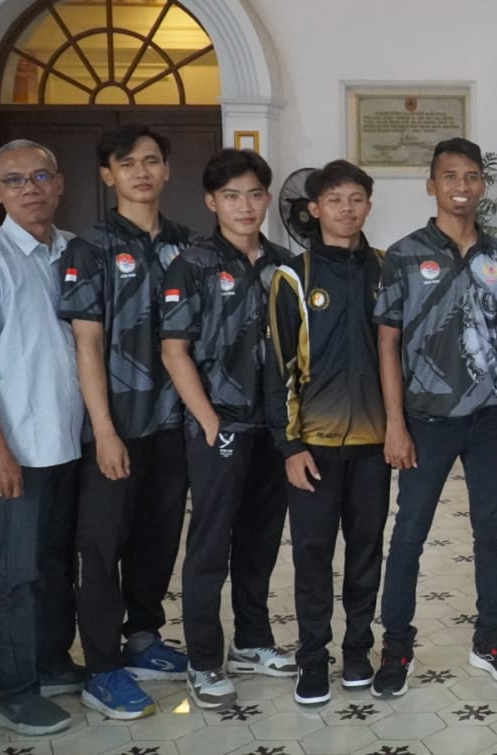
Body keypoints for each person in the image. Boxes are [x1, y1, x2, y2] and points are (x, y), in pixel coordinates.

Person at [370, 138, 497, 698]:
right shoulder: (404, 256)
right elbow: (387, 342)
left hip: (491, 418)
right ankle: (396, 645)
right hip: (425, 419)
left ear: (482, 185)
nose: (461, 186)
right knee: (409, 533)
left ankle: (491, 639)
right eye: (450, 176)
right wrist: (395, 423)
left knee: (491, 530)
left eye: (471, 176)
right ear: (431, 185)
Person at [0, 140, 85, 735]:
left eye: (39, 175)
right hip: (18, 448)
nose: (29, 187)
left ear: (59, 183)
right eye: (13, 180)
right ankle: (13, 691)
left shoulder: (75, 250)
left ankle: (51, 663)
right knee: (16, 571)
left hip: (71, 440)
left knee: (56, 564)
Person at [59, 125, 194, 720]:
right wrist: (105, 431)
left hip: (172, 425)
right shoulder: (89, 249)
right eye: (128, 162)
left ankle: (143, 637)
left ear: (166, 170)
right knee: (101, 544)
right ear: (107, 175)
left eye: (152, 160)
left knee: (157, 536)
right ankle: (103, 667)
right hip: (114, 425)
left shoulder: (188, 246)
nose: (142, 171)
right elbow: (86, 345)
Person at [161, 148, 296, 709]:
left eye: (255, 194)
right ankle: (202, 659)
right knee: (211, 545)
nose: (245, 206)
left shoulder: (284, 264)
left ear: (268, 199)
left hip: (274, 428)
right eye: (232, 196)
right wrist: (211, 421)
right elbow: (174, 351)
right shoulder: (191, 264)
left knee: (260, 539)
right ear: (212, 201)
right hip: (219, 428)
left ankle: (253, 641)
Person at [265, 160, 390, 706]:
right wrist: (289, 446)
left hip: (374, 444)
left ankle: (358, 650)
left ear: (368, 205)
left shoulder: (386, 270)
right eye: (335, 199)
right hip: (312, 445)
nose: (346, 209)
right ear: (314, 209)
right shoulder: (292, 277)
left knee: (366, 551)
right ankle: (312, 658)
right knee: (313, 555)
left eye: (356, 198)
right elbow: (278, 369)